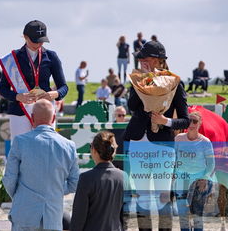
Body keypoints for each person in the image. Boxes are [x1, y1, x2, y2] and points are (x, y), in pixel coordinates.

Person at [124, 41, 190, 230]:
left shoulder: (175, 82)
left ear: (157, 60)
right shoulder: (137, 79)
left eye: (146, 58)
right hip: (138, 141)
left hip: (162, 145)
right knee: (142, 196)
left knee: (163, 197)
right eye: (141, 59)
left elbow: (185, 120)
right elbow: (132, 106)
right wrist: (143, 81)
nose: (142, 61)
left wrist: (165, 121)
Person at [3, 99, 79, 231]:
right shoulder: (69, 146)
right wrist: (56, 190)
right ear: (54, 117)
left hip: (24, 214)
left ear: (31, 118)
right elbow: (75, 183)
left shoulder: (20, 142)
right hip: (53, 218)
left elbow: (9, 179)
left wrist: (21, 196)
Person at [0, 20, 68, 141]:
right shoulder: (12, 59)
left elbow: (64, 87)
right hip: (19, 111)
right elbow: (3, 90)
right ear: (25, 37)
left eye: (41, 41)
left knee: (46, 148)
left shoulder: (52, 56)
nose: (38, 44)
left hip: (45, 111)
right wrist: (18, 96)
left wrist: (55, 94)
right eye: (35, 41)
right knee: (20, 150)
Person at [71, 131, 124, 231]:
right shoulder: (123, 177)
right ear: (114, 151)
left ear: (94, 150)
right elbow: (125, 216)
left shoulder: (86, 178)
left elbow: (78, 217)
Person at [174, 111, 215, 231]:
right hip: (181, 179)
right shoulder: (178, 139)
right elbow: (174, 159)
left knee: (197, 215)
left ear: (200, 123)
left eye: (195, 121)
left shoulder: (205, 142)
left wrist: (205, 179)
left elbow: (211, 164)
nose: (191, 123)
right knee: (182, 214)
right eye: (189, 121)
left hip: (199, 180)